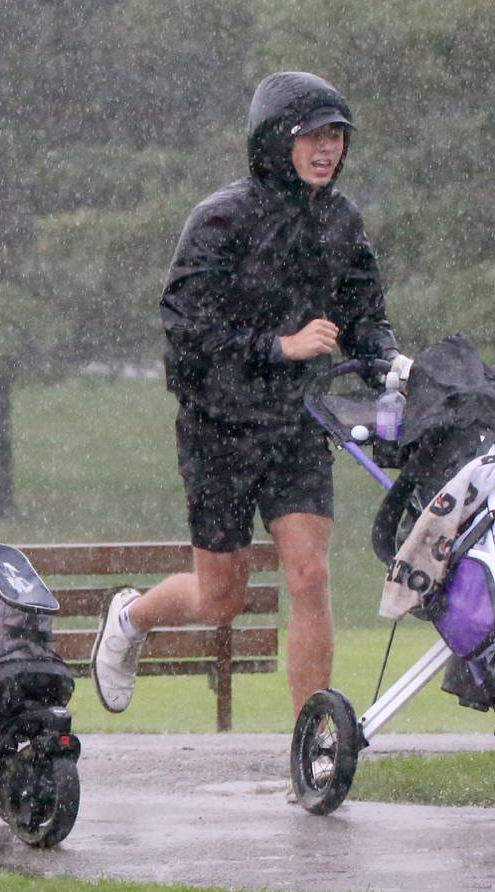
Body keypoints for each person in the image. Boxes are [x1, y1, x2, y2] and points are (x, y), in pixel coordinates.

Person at [91, 71, 411, 730]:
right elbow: (187, 331)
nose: (327, 150)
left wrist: (391, 364)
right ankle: (131, 616)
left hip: (295, 425)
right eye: (313, 136)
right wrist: (279, 346)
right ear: (276, 142)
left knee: (309, 573)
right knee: (221, 597)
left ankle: (312, 748)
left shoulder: (341, 221)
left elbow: (364, 317)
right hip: (218, 428)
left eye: (336, 137)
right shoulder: (220, 219)